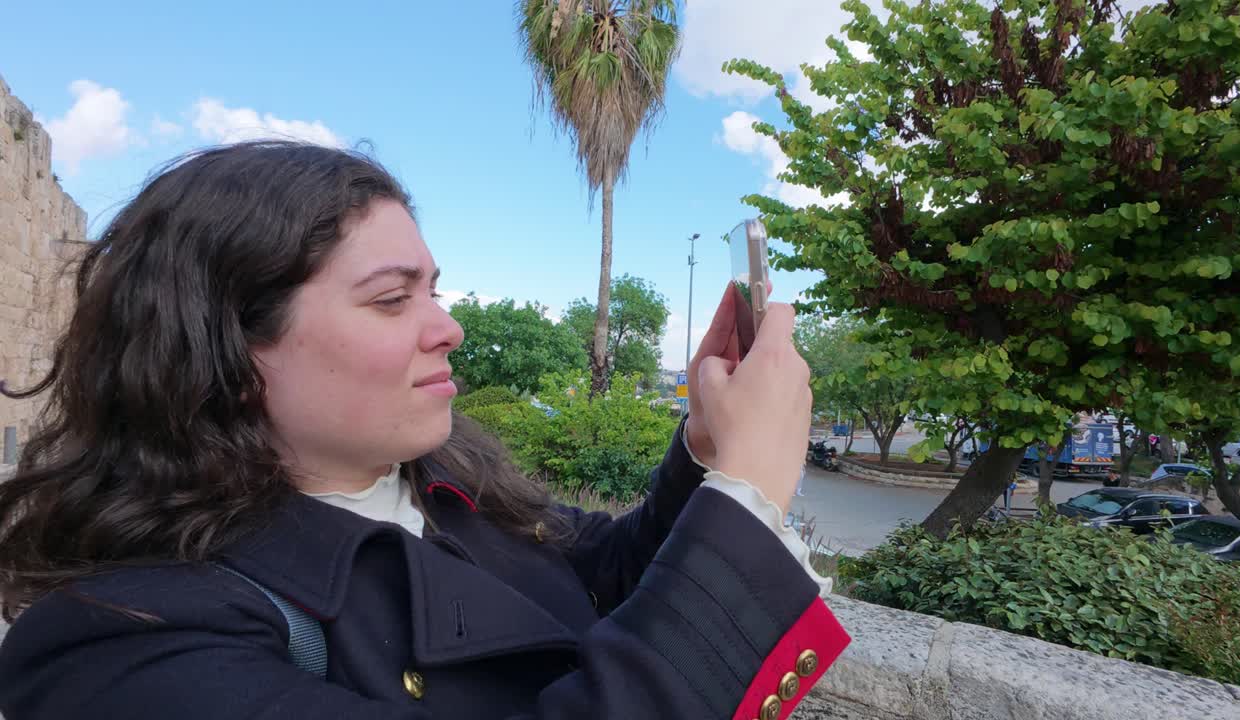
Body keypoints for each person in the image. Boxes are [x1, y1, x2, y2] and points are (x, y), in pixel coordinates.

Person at [0, 142, 848, 719]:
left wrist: (703, 455)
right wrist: (746, 501)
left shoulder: (445, 483)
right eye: (391, 298)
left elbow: (609, 576)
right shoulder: (127, 643)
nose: (448, 328)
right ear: (224, 348)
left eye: (434, 290)